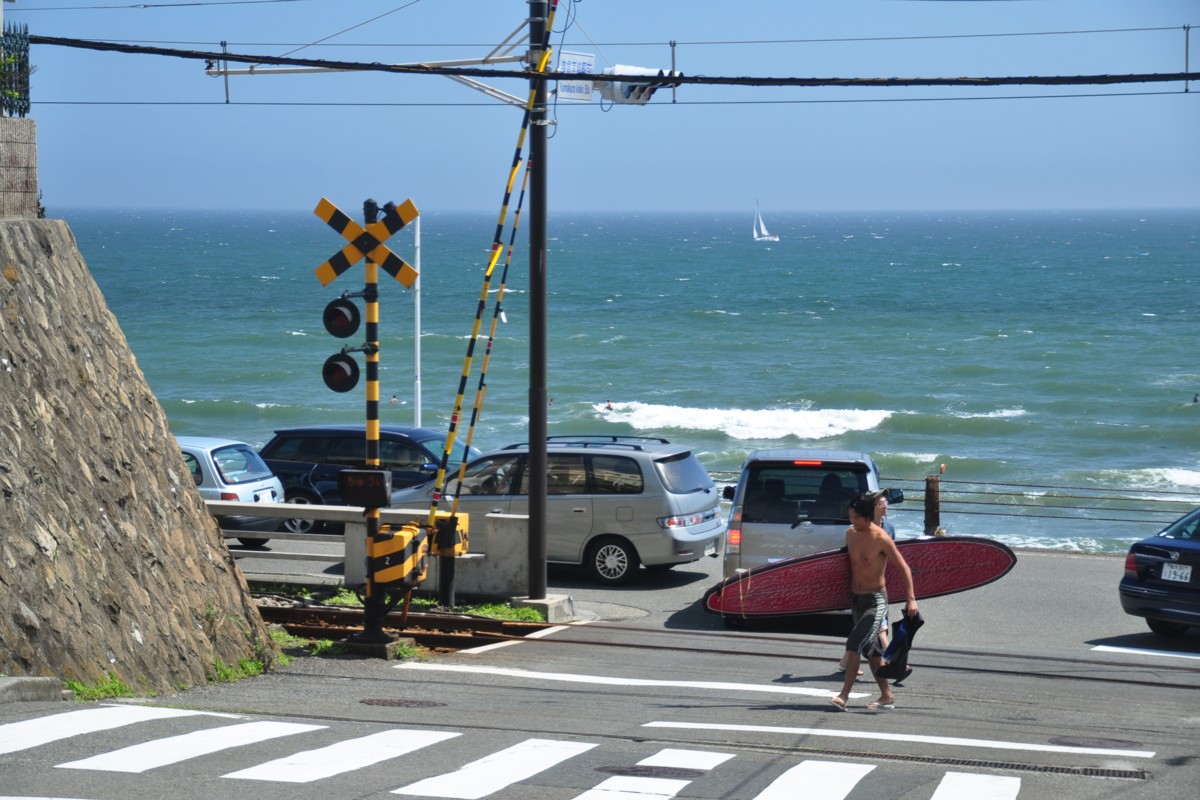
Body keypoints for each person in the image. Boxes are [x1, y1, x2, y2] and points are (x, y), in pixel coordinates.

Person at [830, 492, 918, 712]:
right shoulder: (850, 535)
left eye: (855, 516)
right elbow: (845, 569)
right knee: (874, 652)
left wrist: (911, 599)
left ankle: (843, 695)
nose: (851, 520)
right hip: (856, 600)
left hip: (875, 601)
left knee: (854, 644)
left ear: (866, 516)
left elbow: (904, 568)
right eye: (850, 515)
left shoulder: (881, 538)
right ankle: (887, 696)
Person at [837, 489, 895, 674]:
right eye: (880, 504)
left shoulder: (886, 532)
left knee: (865, 636)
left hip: (877, 594)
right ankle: (848, 663)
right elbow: (845, 563)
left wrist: (910, 597)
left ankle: (891, 659)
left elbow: (899, 563)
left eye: (886, 503)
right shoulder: (852, 533)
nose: (885, 507)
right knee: (868, 640)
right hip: (857, 595)